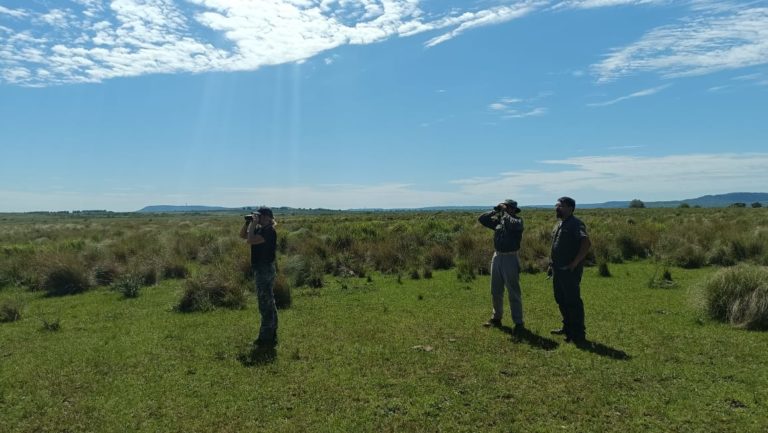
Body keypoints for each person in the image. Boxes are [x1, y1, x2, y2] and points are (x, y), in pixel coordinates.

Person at [549, 197, 591, 344]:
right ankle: (567, 328)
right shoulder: (559, 224)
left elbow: (586, 242)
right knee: (561, 299)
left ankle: (578, 334)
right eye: (557, 205)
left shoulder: (576, 224)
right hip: (557, 270)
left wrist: (575, 263)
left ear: (571, 208)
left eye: (560, 206)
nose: (557, 208)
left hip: (569, 271)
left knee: (573, 301)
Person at [478, 199, 525, 331]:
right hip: (497, 256)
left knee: (513, 291)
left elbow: (513, 224)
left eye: (508, 208)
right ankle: (496, 318)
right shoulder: (500, 221)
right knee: (496, 290)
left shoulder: (518, 221)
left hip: (510, 257)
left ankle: (519, 322)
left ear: (513, 209)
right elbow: (482, 219)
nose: (504, 210)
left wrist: (504, 213)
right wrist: (495, 210)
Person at [239, 206, 279, 348]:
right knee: (269, 301)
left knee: (265, 304)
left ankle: (265, 338)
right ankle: (272, 333)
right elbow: (243, 235)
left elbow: (250, 241)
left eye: (259, 216)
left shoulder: (269, 231)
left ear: (268, 217)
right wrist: (248, 223)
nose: (258, 218)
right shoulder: (262, 228)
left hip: (265, 269)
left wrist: (254, 224)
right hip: (262, 269)